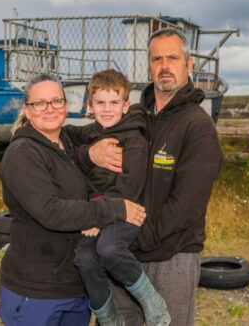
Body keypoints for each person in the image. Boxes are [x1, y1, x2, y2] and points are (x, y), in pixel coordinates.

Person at [81, 28, 223, 325]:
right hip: (124, 248)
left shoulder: (197, 126)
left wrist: (135, 241)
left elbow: (188, 205)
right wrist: (89, 154)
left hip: (171, 253)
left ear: (189, 64)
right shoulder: (131, 116)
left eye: (173, 57)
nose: (164, 66)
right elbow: (85, 148)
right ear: (149, 65)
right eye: (157, 59)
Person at [0, 74, 147, 326]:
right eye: (39, 103)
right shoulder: (23, 154)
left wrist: (90, 154)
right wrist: (114, 208)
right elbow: (51, 211)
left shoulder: (65, 140)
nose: (49, 109)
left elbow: (101, 132)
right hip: (36, 289)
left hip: (73, 284)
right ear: (26, 109)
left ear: (67, 105)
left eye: (57, 101)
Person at [67, 69, 170, 326]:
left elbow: (130, 188)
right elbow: (67, 132)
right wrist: (86, 152)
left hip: (126, 210)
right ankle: (108, 317)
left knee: (109, 248)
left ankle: (151, 301)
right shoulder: (91, 131)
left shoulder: (134, 140)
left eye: (114, 103)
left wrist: (97, 218)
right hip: (97, 212)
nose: (107, 109)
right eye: (100, 103)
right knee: (84, 259)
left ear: (126, 106)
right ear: (89, 105)